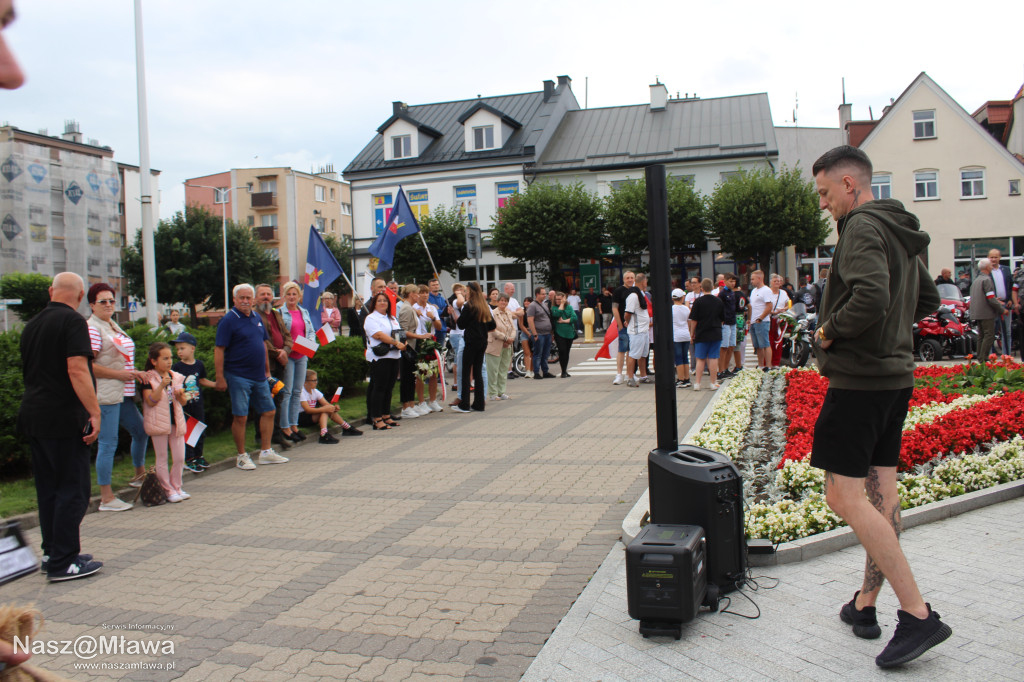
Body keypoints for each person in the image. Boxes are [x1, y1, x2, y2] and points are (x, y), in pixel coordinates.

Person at [810, 145, 948, 668]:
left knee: (843, 496)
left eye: (826, 193)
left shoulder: (862, 228)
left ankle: (917, 614)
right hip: (895, 378)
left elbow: (869, 297)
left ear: (850, 185)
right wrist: (892, 331)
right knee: (880, 492)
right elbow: (927, 301)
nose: (824, 205)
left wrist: (828, 330)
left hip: (861, 380)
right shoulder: (899, 229)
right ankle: (866, 603)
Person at [19, 272, 103, 581]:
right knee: (73, 489)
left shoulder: (32, 324)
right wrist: (94, 412)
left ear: (51, 291)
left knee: (49, 489)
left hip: (36, 416)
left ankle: (53, 552)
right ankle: (65, 563)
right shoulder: (72, 322)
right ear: (81, 296)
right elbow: (77, 368)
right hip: (64, 417)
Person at [86, 283, 149, 512]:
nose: (109, 305)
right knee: (108, 443)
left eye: (112, 300)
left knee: (141, 430)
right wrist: (121, 374)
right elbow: (88, 365)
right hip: (106, 394)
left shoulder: (111, 325)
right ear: (92, 304)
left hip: (123, 393)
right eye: (103, 301)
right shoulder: (93, 328)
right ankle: (106, 497)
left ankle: (139, 474)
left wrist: (134, 374)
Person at [214, 283, 289, 470]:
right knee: (241, 416)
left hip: (259, 376)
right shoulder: (228, 320)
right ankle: (241, 455)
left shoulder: (256, 317)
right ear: (235, 299)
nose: (246, 301)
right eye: (242, 298)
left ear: (253, 299)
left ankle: (266, 452)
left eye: (249, 298)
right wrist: (220, 376)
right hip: (238, 375)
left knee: (269, 411)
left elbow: (263, 344)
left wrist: (267, 371)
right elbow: (219, 349)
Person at [140, 342, 189, 503]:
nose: (169, 361)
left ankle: (177, 486)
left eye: (171, 358)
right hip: (158, 423)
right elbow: (151, 401)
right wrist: (162, 385)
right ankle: (167, 489)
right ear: (154, 361)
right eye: (165, 358)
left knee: (179, 457)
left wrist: (181, 394)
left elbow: (183, 402)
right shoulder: (148, 378)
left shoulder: (176, 376)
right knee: (161, 457)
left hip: (176, 421)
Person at [254, 283, 293, 449]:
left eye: (268, 294)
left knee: (278, 398)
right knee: (263, 400)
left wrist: (285, 350)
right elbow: (261, 340)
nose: (265, 297)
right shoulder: (255, 316)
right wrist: (278, 353)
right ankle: (260, 435)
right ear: (256, 297)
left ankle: (276, 434)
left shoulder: (276, 314)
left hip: (280, 365)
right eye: (262, 294)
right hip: (266, 365)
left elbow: (287, 336)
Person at [277, 281, 315, 442]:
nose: (292, 297)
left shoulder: (304, 311)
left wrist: (310, 344)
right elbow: (278, 335)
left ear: (299, 296)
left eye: (294, 294)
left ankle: (294, 424)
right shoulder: (279, 313)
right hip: (288, 355)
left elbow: (311, 331)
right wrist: (287, 347)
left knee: (297, 392)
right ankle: (284, 427)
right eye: (289, 294)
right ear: (284, 296)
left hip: (302, 355)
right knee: (287, 392)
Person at [172, 332, 216, 472]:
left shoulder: (199, 365)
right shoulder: (177, 367)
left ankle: (198, 455)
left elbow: (201, 380)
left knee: (199, 429)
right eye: (177, 349)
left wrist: (216, 385)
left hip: (197, 404)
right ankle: (189, 458)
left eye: (182, 348)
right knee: (188, 432)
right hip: (185, 406)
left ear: (192, 348)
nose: (179, 351)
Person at [363, 291, 405, 430]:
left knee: (389, 387)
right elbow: (378, 334)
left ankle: (386, 414)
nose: (382, 303)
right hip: (380, 357)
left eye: (385, 301)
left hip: (394, 355)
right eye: (379, 301)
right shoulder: (371, 318)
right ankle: (376, 417)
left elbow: (399, 333)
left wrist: (402, 342)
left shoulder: (391, 318)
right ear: (374, 304)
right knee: (379, 387)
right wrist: (395, 342)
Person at [454, 282, 495, 412]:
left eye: (466, 291)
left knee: (466, 372)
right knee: (477, 372)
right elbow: (492, 325)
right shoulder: (484, 306)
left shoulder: (469, 306)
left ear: (471, 291)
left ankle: (464, 404)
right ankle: (479, 403)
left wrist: (457, 316)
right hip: (482, 341)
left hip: (471, 341)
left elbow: (461, 324)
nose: (465, 293)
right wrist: (481, 329)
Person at [299, 370, 362, 443]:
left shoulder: (315, 391)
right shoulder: (301, 392)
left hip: (311, 416)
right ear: (305, 382)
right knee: (325, 410)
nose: (316, 382)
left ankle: (346, 427)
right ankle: (324, 435)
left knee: (327, 409)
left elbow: (326, 404)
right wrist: (324, 408)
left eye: (317, 380)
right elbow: (307, 410)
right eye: (313, 380)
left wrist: (333, 407)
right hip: (301, 417)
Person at [398, 284, 432, 419]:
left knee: (411, 377)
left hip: (413, 346)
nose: (418, 296)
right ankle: (406, 406)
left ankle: (411, 404)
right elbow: (403, 330)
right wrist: (420, 336)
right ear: (411, 294)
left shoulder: (410, 308)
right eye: (417, 293)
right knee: (406, 377)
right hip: (408, 347)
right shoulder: (406, 308)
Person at [688, 278, 725, 391]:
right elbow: (722, 319)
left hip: (702, 333)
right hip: (715, 332)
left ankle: (697, 383)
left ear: (702, 288)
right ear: (712, 288)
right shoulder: (719, 301)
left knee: (700, 359)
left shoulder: (698, 302)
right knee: (713, 358)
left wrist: (692, 333)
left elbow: (694, 320)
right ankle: (713, 383)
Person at [414, 285, 443, 412]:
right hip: (419, 342)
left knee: (433, 373)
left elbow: (439, 326)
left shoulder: (431, 308)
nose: (425, 295)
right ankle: (421, 402)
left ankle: (432, 400)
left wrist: (432, 317)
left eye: (426, 293)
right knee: (421, 374)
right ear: (417, 294)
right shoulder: (414, 308)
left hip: (431, 342)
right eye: (422, 293)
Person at [969, 258, 1004, 360]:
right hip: (986, 313)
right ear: (988, 267)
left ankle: (980, 356)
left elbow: (984, 296)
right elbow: (991, 298)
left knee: (981, 336)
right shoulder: (987, 280)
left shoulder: (976, 280)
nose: (992, 267)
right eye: (990, 265)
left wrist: (994, 299)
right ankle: (983, 358)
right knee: (989, 335)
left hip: (977, 312)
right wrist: (1002, 309)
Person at [987, 249, 1018, 354]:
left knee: (1007, 332)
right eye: (991, 257)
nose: (993, 259)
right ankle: (991, 357)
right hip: (992, 306)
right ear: (988, 258)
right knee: (991, 332)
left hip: (1006, 305)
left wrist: (1010, 299)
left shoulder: (1006, 269)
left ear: (1000, 258)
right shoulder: (986, 271)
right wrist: (994, 299)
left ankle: (1007, 355)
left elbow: (1010, 285)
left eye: (996, 257)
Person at [622, 274, 651, 387]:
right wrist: (628, 322)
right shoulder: (633, 296)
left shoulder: (640, 294)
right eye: (646, 282)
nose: (646, 284)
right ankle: (630, 377)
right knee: (633, 354)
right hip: (636, 330)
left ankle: (643, 376)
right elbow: (628, 312)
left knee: (643, 354)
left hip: (644, 329)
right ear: (643, 282)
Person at [486, 293, 515, 399]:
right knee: (493, 370)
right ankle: (493, 393)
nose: (504, 302)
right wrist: (506, 338)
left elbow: (513, 328)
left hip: (507, 345)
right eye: (501, 300)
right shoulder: (492, 313)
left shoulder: (508, 313)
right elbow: (493, 330)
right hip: (495, 344)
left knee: (503, 370)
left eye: (506, 301)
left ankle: (501, 391)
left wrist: (511, 338)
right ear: (497, 302)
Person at [611, 272, 637, 385]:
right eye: (628, 278)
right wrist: (620, 324)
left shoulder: (636, 290)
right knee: (622, 349)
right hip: (623, 325)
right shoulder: (618, 291)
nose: (630, 279)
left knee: (632, 351)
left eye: (632, 278)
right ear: (623, 279)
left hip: (634, 325)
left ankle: (630, 374)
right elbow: (615, 308)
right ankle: (619, 374)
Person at [526, 286, 555, 379]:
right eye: (543, 294)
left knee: (546, 354)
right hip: (539, 334)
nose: (545, 295)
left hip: (547, 333)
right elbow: (530, 320)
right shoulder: (532, 306)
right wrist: (534, 334)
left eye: (545, 294)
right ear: (537, 294)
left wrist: (551, 332)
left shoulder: (544, 304)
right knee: (538, 354)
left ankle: (545, 371)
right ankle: (536, 372)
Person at [748, 270, 773, 370]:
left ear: (759, 278)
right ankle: (760, 364)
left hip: (762, 321)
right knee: (757, 345)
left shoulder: (766, 290)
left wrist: (761, 318)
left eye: (753, 279)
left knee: (765, 343)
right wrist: (749, 319)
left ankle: (768, 365)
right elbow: (752, 306)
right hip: (754, 321)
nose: (751, 281)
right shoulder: (754, 291)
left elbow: (769, 306)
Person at [550, 291, 578, 377]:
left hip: (569, 333)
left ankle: (565, 370)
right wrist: (561, 305)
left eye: (560, 299)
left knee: (567, 352)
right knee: (562, 351)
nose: (558, 301)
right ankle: (563, 372)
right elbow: (557, 314)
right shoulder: (554, 308)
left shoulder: (569, 307)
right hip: (559, 333)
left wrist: (563, 321)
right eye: (557, 299)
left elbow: (574, 317)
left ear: (564, 299)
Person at [768, 273, 791, 367]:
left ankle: (776, 362)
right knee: (769, 341)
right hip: (770, 318)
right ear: (771, 282)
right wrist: (772, 312)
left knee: (778, 341)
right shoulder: (768, 292)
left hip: (780, 319)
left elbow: (788, 303)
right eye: (775, 281)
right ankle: (768, 362)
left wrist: (784, 309)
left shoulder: (783, 293)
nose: (777, 283)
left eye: (778, 281)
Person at [717, 274, 738, 378]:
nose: (733, 283)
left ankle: (726, 368)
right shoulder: (722, 293)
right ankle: (720, 370)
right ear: (725, 281)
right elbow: (719, 308)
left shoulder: (732, 293)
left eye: (734, 281)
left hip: (732, 321)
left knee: (731, 346)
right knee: (724, 347)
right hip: (725, 322)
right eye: (730, 281)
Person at [671, 288, 692, 388]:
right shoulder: (686, 309)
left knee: (678, 358)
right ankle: (687, 378)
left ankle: (680, 379)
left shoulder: (671, 309)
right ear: (682, 298)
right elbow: (689, 321)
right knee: (685, 357)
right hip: (686, 334)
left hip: (676, 335)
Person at [732, 275, 749, 372]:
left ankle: (736, 364)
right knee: (739, 342)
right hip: (741, 318)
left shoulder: (732, 295)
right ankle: (739, 364)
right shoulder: (742, 294)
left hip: (734, 317)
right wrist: (749, 318)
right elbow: (749, 305)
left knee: (734, 343)